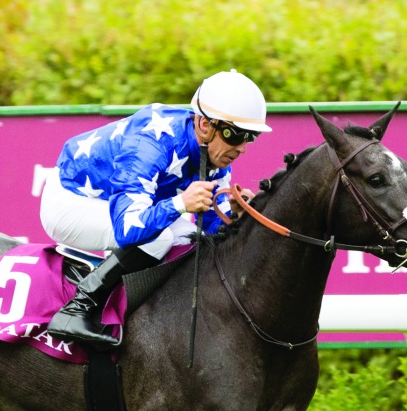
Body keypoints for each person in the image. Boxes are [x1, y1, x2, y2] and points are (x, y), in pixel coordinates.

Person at [40, 69, 271, 348]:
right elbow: (128, 229)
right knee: (159, 236)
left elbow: (210, 229)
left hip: (116, 204)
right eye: (236, 135)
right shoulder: (150, 144)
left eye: (251, 137)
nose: (243, 148)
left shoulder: (215, 156)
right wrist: (179, 203)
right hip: (70, 201)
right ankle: (76, 310)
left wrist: (234, 215)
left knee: (189, 236)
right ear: (206, 125)